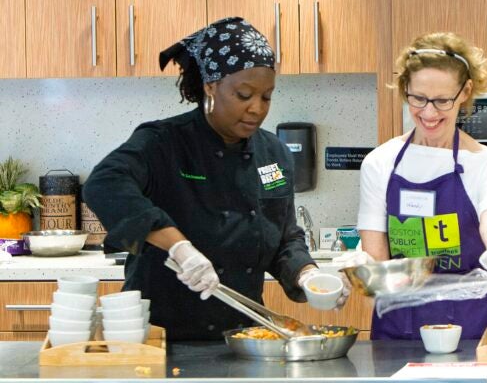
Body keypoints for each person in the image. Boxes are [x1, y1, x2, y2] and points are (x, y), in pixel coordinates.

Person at [83, 17, 342, 341]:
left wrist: (308, 275)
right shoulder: (163, 142)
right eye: (244, 94)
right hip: (160, 338)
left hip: (244, 338)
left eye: (266, 97)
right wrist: (179, 248)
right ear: (210, 85)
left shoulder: (273, 153)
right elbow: (104, 183)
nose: (256, 109)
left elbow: (283, 238)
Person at [354, 32, 487, 340]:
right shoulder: (380, 162)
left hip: (477, 328)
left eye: (442, 100)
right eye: (418, 98)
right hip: (400, 329)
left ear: (465, 92)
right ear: (404, 89)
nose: (429, 113)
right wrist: (362, 270)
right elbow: (377, 254)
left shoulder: (486, 162)